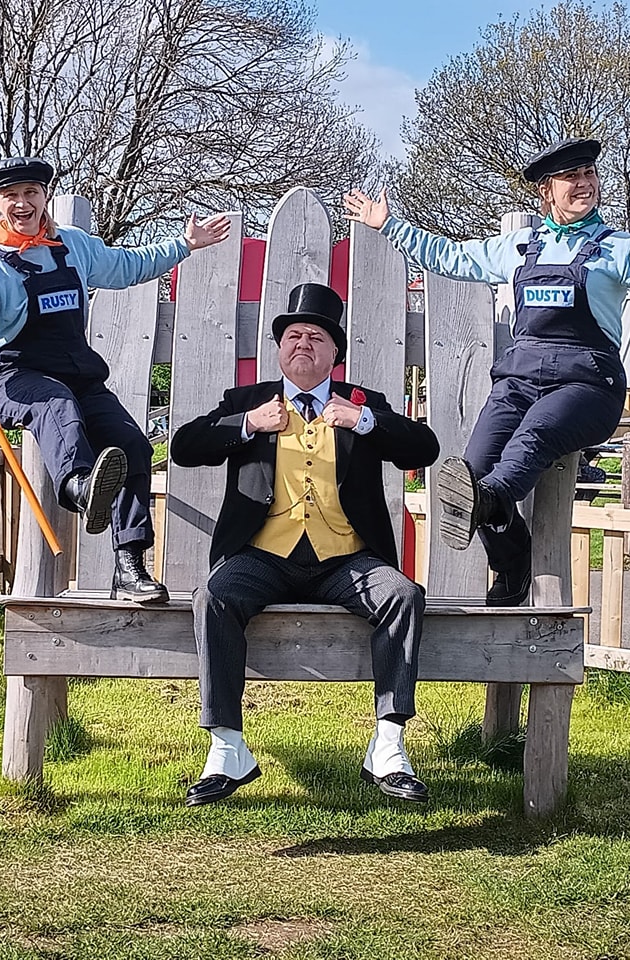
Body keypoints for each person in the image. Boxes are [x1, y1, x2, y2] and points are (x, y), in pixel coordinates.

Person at [344, 138, 630, 606]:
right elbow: (452, 258)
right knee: (473, 469)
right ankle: (512, 562)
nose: (584, 183)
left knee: (534, 434)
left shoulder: (618, 250)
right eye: (572, 177)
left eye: (590, 173)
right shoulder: (519, 248)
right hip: (519, 378)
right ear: (547, 190)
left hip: (586, 383)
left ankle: (492, 499)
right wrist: (390, 225)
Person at [170, 282, 440, 806]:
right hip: (263, 557)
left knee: (404, 595)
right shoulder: (248, 402)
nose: (303, 344)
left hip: (347, 561)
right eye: (293, 335)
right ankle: (227, 748)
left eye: (316, 337)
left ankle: (388, 747)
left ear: (335, 353)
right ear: (278, 348)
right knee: (214, 596)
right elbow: (184, 447)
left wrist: (363, 421)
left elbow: (423, 449)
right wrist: (248, 424)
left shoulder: (362, 403)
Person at [0, 156, 230, 602]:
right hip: (18, 377)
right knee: (56, 403)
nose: (22, 203)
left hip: (80, 375)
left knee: (133, 443)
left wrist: (184, 244)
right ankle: (80, 488)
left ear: (44, 197)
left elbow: (128, 265)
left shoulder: (74, 246)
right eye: (11, 196)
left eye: (31, 192)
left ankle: (130, 567)